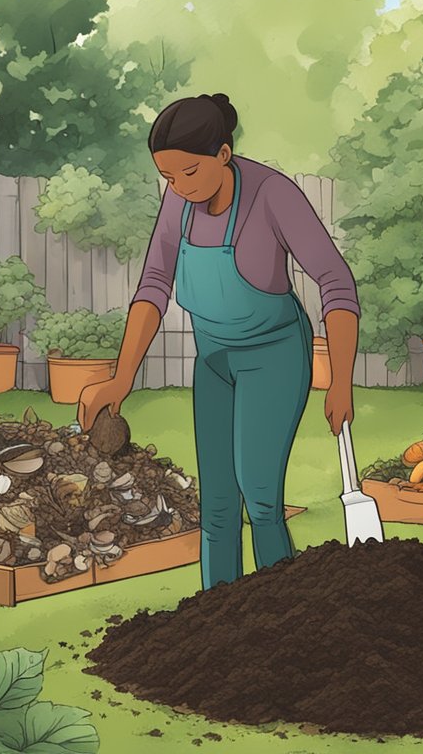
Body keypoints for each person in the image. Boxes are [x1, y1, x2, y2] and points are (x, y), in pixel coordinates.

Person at [77, 93, 360, 589]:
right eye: (167, 177)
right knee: (219, 504)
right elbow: (153, 287)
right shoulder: (179, 203)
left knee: (261, 495)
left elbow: (336, 282)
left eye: (188, 173)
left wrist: (341, 382)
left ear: (223, 155)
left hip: (274, 357)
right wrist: (120, 380)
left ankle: (281, 615)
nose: (177, 187)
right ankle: (214, 623)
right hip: (214, 360)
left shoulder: (273, 196)